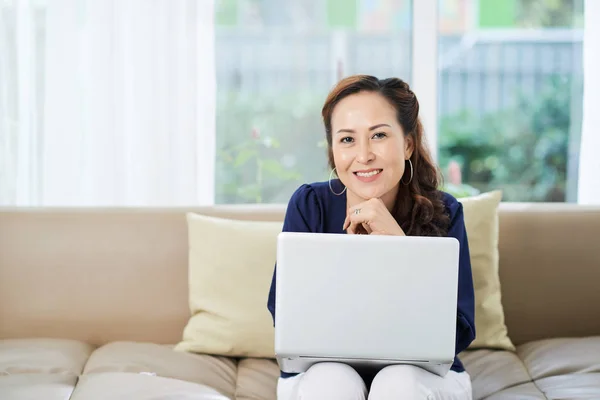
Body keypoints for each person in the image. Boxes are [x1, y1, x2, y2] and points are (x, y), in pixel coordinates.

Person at [267, 75, 476, 400]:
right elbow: (283, 312)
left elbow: (459, 330)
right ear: (333, 149)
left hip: (421, 376)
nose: (363, 155)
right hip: (319, 369)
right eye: (347, 140)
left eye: (378, 135)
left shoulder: (445, 210)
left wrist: (397, 244)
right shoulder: (309, 205)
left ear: (407, 144)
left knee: (398, 384)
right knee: (331, 382)